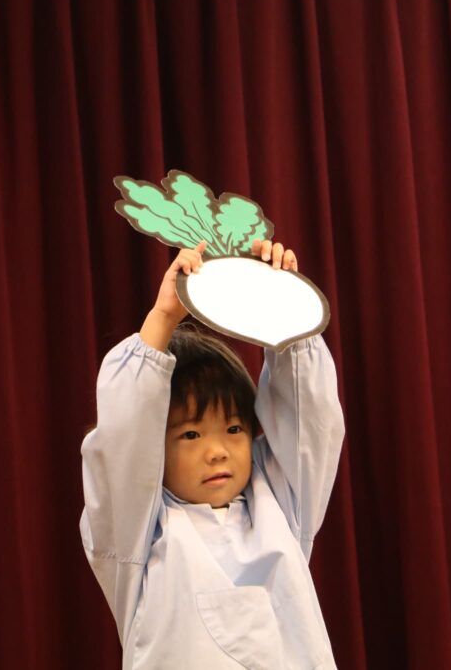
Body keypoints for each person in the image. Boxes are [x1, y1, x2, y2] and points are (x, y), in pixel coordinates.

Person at [80, 238, 345, 668]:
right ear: (153, 449)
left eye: (234, 429)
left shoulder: (277, 505)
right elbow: (123, 441)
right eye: (190, 435)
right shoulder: (138, 534)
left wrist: (285, 307)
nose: (217, 452)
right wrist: (163, 318)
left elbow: (310, 421)